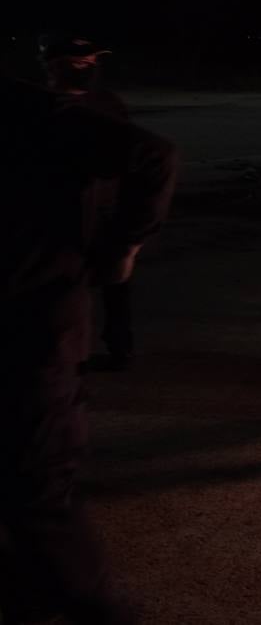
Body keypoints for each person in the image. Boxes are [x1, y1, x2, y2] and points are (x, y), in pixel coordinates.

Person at [1, 75, 178, 623]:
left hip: (34, 333)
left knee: (38, 498)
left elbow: (153, 156)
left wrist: (121, 245)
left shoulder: (30, 113)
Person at [41, 36, 137, 371]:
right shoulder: (43, 106)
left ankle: (118, 345)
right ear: (54, 66)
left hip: (102, 210)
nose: (90, 67)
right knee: (65, 286)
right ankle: (67, 351)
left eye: (92, 61)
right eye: (81, 62)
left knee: (114, 281)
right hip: (59, 213)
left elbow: (137, 156)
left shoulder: (107, 103)